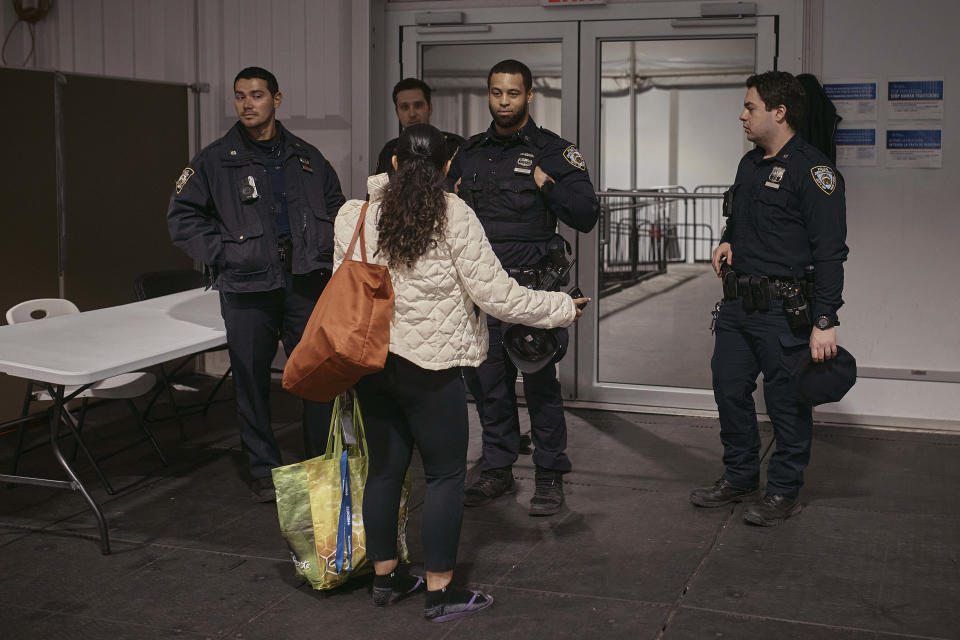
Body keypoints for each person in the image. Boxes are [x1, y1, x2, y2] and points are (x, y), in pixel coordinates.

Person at [334, 123, 586, 621]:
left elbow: (345, 281)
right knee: (447, 475)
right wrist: (560, 306)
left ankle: (386, 578)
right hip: (433, 366)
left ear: (394, 163)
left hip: (372, 362)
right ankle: (441, 592)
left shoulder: (354, 214)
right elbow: (497, 296)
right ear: (449, 167)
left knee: (385, 471)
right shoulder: (455, 216)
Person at [167, 67, 345, 502]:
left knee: (317, 378)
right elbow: (183, 218)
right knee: (249, 381)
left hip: (304, 284)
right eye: (240, 97)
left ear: (276, 100)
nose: (248, 104)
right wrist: (226, 253)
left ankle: (321, 462)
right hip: (247, 288)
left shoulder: (307, 157)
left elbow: (338, 208)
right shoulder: (213, 160)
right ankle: (263, 468)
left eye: (257, 95)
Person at [690, 71, 849, 526]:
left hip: (786, 312)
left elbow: (831, 252)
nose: (742, 115)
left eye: (751, 107)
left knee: (786, 402)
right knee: (728, 389)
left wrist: (825, 319)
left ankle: (783, 490)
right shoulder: (750, 164)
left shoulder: (815, 172)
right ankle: (740, 475)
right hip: (739, 306)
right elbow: (741, 220)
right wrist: (727, 240)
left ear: (779, 112)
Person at [447, 59, 599, 516]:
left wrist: (546, 186)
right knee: (488, 385)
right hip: (481, 292)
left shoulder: (554, 151)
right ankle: (497, 467)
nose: (504, 101)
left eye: (513, 93)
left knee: (540, 388)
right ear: (488, 94)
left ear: (529, 95)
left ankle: (550, 476)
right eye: (496, 93)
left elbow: (587, 215)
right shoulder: (470, 153)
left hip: (532, 291)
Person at [374, 77, 464, 177]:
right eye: (404, 107)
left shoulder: (455, 146)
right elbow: (377, 192)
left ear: (430, 108)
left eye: (418, 105)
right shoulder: (389, 151)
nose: (412, 114)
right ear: (397, 112)